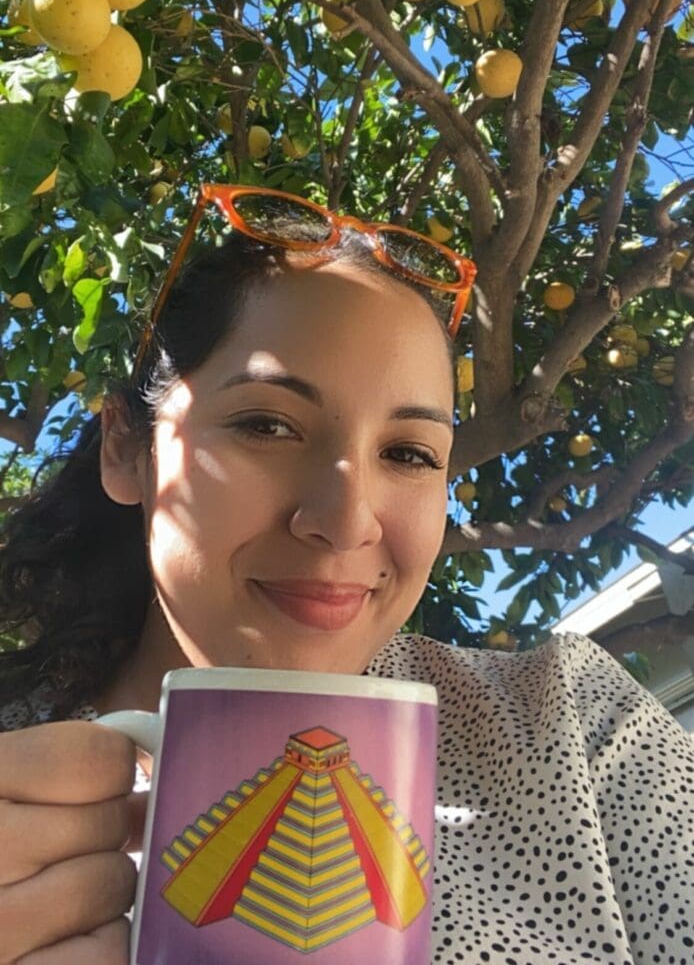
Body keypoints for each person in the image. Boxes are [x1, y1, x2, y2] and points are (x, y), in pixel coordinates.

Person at [0, 185, 691, 965]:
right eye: (267, 424)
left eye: (408, 454)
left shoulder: (569, 726)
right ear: (128, 449)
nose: (346, 518)